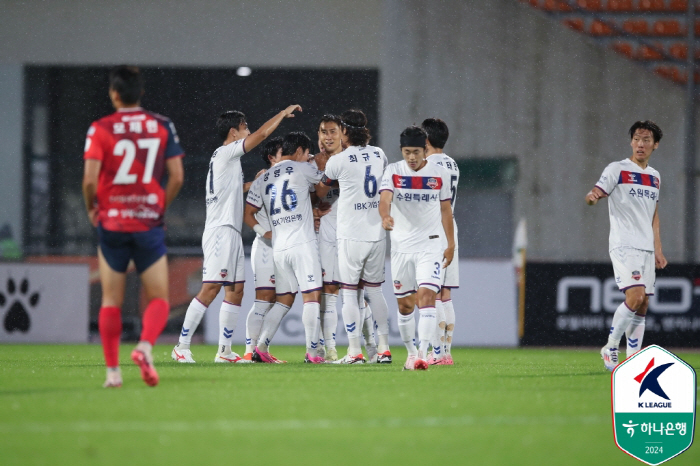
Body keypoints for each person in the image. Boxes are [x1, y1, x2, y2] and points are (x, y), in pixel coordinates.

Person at [172, 105, 302, 364]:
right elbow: (263, 134)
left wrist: (255, 183)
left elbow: (234, 189)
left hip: (229, 232)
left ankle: (224, 351)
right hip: (220, 232)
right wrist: (281, 113)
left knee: (235, 290)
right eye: (245, 128)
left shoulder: (225, 159)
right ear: (234, 132)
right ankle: (181, 346)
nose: (249, 131)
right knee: (210, 288)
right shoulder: (226, 152)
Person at [83, 65, 185, 387]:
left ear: (114, 94)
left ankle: (113, 374)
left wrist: (92, 209)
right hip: (147, 222)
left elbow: (88, 180)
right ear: (140, 93)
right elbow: (178, 176)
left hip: (112, 221)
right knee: (158, 298)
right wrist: (158, 207)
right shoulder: (162, 126)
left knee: (111, 300)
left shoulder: (100, 128)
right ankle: (144, 347)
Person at [585, 120, 667, 371]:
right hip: (624, 244)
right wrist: (593, 196)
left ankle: (634, 361)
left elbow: (653, 214)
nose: (640, 144)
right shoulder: (617, 169)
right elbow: (598, 190)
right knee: (636, 295)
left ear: (656, 145)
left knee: (643, 304)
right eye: (636, 139)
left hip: (646, 247)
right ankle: (610, 345)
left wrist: (658, 249)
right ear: (631, 142)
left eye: (646, 140)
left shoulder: (655, 177)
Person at [244, 132, 326, 363]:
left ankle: (260, 347)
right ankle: (312, 353)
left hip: (279, 247)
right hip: (302, 244)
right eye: (306, 153)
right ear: (299, 150)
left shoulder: (262, 178)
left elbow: (248, 212)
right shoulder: (302, 168)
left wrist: (264, 231)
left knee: (284, 299)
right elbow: (321, 188)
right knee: (311, 297)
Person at [318, 109, 391, 364]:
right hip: (377, 233)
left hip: (351, 234)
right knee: (375, 292)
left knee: (349, 293)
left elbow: (321, 189)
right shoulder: (380, 154)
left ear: (345, 131)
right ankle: (383, 349)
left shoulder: (338, 161)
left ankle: (354, 351)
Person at [378, 126, 455, 371]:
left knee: (427, 297)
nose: (411, 157)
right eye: (406, 152)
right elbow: (385, 199)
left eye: (416, 152)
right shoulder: (393, 171)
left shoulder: (439, 173)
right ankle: (411, 353)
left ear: (425, 150)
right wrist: (385, 216)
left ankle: (423, 353)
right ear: (401, 151)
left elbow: (446, 211)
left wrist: (450, 243)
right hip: (401, 247)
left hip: (430, 244)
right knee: (405, 305)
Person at [241, 137, 284, 362]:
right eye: (282, 153)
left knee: (281, 298)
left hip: (285, 247)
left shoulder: (293, 178)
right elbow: (247, 213)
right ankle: (250, 350)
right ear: (271, 158)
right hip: (266, 247)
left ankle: (261, 349)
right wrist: (263, 231)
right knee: (264, 298)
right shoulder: (263, 180)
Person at [423, 118, 459, 365]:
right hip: (451, 228)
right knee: (445, 294)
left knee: (430, 292)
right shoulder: (452, 163)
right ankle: (445, 353)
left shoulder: (429, 166)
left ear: (425, 139)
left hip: (433, 229)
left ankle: (436, 352)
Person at [310, 114, 344, 361]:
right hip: (325, 235)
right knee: (326, 290)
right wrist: (310, 209)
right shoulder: (312, 163)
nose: (328, 136)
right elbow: (304, 195)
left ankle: (374, 349)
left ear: (342, 133)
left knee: (362, 291)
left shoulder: (353, 160)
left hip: (355, 234)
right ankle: (326, 347)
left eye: (332, 131)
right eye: (323, 131)